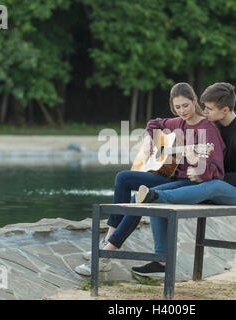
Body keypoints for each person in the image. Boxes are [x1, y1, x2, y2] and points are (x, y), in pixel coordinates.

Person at [74, 82, 226, 276]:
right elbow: (154, 123)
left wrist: (196, 163)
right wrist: (147, 140)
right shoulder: (178, 123)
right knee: (123, 178)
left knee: (138, 198)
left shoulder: (208, 129)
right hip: (172, 179)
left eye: (186, 105)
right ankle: (108, 238)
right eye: (177, 107)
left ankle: (105, 256)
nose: (182, 111)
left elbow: (216, 171)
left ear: (195, 101)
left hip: (192, 185)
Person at [131, 82, 236, 278]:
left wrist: (209, 173)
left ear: (225, 110)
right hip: (204, 181)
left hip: (234, 192)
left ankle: (156, 197)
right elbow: (156, 123)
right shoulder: (212, 124)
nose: (204, 112)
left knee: (211, 185)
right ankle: (160, 260)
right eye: (204, 107)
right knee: (159, 189)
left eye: (209, 109)